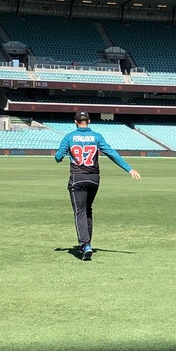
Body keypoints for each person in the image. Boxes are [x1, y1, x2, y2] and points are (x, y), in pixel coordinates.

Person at [54, 111, 141, 261]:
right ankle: (87, 243)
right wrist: (129, 168)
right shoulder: (97, 136)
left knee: (79, 212)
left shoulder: (69, 137)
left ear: (75, 122)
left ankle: (85, 245)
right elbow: (111, 153)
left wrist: (62, 155)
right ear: (89, 121)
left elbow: (58, 157)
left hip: (77, 178)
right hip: (94, 179)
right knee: (88, 210)